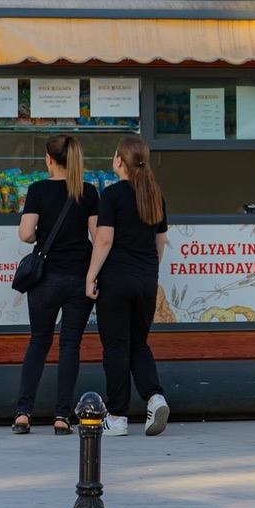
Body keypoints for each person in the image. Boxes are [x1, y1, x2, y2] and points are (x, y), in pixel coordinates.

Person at [12, 135, 100, 435]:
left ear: (49, 160)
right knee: (70, 345)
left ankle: (23, 413)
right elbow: (98, 236)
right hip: (79, 277)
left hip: (45, 279)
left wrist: (40, 236)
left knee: (39, 341)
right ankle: (62, 416)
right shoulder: (87, 192)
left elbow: (25, 234)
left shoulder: (37, 190)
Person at [85, 136, 170, 437]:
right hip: (146, 279)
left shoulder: (112, 195)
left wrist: (91, 275)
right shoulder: (155, 195)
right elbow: (161, 243)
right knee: (138, 343)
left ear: (119, 161)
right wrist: (148, 271)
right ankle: (155, 397)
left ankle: (118, 416)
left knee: (116, 347)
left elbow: (104, 239)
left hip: (116, 280)